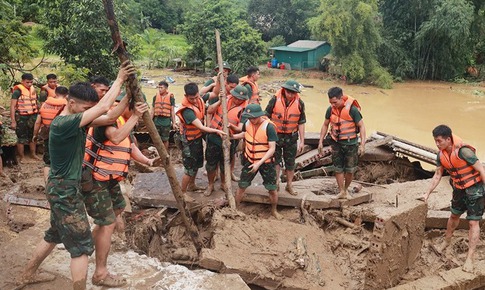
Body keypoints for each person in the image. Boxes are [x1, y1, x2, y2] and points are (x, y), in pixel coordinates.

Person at [16, 61, 135, 290]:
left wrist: (129, 97)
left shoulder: (75, 119)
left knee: (54, 234)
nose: (88, 112)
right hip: (65, 191)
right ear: (71, 102)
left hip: (61, 188)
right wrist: (119, 79)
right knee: (81, 247)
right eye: (85, 108)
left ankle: (27, 274)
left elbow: (108, 117)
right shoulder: (64, 123)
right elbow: (101, 110)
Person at [82, 96, 151, 287]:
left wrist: (148, 161)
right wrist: (136, 117)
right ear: (129, 107)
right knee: (108, 223)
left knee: (118, 208)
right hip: (95, 179)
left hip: (110, 180)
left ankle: (91, 243)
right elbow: (116, 137)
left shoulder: (124, 121)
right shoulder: (106, 119)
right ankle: (100, 274)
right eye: (138, 109)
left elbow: (130, 146)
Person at [422, 125, 485, 273]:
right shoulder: (441, 155)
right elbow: (437, 175)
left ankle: (470, 257)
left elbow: (481, 169)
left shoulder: (464, 152)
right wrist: (427, 193)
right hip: (458, 189)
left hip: (474, 189)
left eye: (439, 141)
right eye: (435, 141)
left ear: (448, 139)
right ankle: (446, 241)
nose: (437, 144)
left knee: (473, 222)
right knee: (454, 215)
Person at [176, 82, 226, 199]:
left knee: (197, 164)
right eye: (191, 98)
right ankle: (182, 193)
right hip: (189, 142)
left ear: (198, 94)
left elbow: (214, 93)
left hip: (197, 139)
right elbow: (201, 127)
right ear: (186, 96)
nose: (194, 100)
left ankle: (192, 185)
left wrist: (218, 81)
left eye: (196, 97)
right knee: (189, 169)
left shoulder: (200, 99)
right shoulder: (187, 111)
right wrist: (216, 131)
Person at [232, 104, 281, 219]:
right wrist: (232, 137)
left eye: (253, 118)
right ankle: (236, 208)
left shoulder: (269, 127)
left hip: (266, 162)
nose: (251, 120)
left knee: (272, 189)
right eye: (249, 118)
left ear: (260, 115)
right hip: (250, 160)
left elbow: (272, 148)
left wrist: (259, 163)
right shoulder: (248, 123)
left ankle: (274, 210)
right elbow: (245, 134)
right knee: (242, 185)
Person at [318, 86, 366, 199]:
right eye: (331, 102)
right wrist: (320, 141)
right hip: (336, 142)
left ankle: (346, 189)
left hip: (351, 144)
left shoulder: (352, 110)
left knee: (350, 170)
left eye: (335, 102)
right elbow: (325, 124)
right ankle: (341, 191)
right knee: (338, 168)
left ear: (341, 98)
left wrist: (362, 144)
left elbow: (362, 126)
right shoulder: (330, 109)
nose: (333, 105)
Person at [205, 85, 249, 196]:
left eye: (241, 99)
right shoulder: (224, 99)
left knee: (225, 164)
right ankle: (210, 185)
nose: (238, 100)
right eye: (236, 97)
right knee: (211, 164)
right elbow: (209, 111)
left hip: (228, 139)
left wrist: (231, 127)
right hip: (214, 136)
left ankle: (224, 184)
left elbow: (239, 128)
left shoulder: (244, 109)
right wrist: (220, 101)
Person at [265, 80, 306, 195]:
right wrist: (267, 134)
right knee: (275, 162)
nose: (291, 95)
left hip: (291, 137)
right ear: (284, 90)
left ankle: (289, 185)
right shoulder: (274, 99)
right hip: (276, 136)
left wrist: (302, 141)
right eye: (289, 92)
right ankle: (276, 183)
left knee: (290, 163)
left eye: (294, 93)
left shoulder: (300, 103)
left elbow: (301, 122)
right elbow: (266, 116)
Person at [33, 86, 69, 181]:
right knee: (63, 160)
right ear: (67, 95)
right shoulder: (68, 105)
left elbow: (37, 122)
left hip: (48, 135)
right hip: (64, 135)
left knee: (48, 162)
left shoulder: (45, 104)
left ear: (55, 94)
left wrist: (35, 135)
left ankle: (47, 184)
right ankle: (61, 183)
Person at [10, 73, 40, 163]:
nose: (30, 84)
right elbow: (12, 106)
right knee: (21, 137)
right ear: (22, 81)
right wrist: (13, 121)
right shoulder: (17, 91)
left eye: (31, 82)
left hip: (33, 116)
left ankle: (33, 154)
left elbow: (36, 102)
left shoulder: (33, 90)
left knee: (33, 136)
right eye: (27, 82)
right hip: (22, 117)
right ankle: (22, 157)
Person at [151, 81, 176, 150]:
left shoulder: (171, 98)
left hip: (166, 121)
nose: (159, 89)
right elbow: (153, 110)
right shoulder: (155, 97)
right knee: (156, 139)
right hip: (157, 120)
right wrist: (150, 121)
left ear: (166, 88)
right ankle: (158, 153)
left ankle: (165, 154)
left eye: (161, 88)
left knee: (165, 139)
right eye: (159, 87)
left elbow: (172, 111)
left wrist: (174, 123)